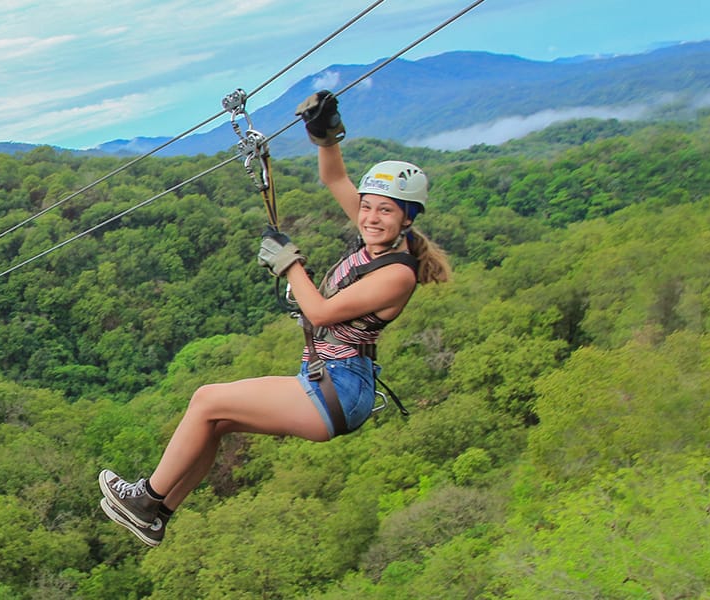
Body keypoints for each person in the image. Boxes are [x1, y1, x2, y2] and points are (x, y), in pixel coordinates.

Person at [97, 90, 453, 547]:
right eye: (368, 206)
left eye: (385, 210)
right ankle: (158, 512)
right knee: (216, 420)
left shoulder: (397, 274)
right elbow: (336, 178)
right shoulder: (375, 238)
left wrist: (289, 264)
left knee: (206, 400)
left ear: (407, 218)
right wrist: (325, 136)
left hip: (338, 391)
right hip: (331, 381)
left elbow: (320, 310)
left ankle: (144, 498)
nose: (370, 216)